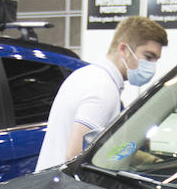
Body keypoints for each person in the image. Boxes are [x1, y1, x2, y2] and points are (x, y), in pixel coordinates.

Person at [35, 15, 167, 170]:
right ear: (124, 49)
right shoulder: (103, 89)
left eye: (155, 60)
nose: (152, 66)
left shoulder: (87, 74)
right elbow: (75, 157)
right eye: (148, 57)